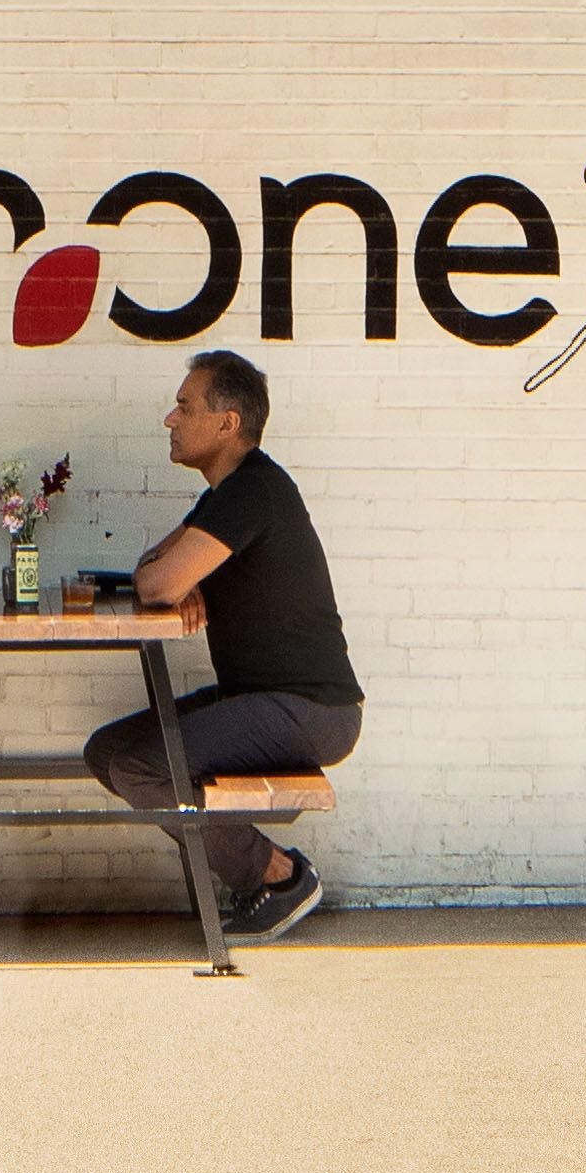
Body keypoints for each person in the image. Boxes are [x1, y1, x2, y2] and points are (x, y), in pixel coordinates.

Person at [74, 347, 357, 946]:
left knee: (142, 764)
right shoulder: (225, 495)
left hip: (308, 709)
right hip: (264, 699)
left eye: (183, 407)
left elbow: (155, 582)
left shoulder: (252, 491)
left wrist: (181, 576)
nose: (169, 421)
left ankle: (280, 878)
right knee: (109, 750)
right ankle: (258, 870)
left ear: (227, 423)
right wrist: (182, 574)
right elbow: (151, 567)